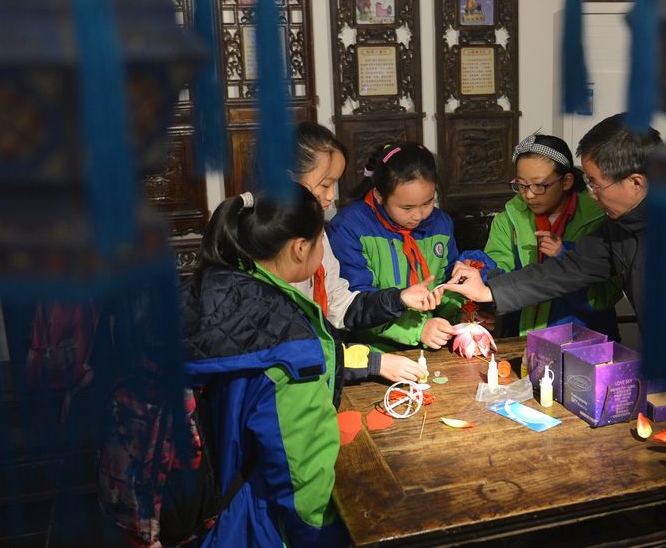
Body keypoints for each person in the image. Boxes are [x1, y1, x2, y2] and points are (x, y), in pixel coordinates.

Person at [440, 114, 666, 435]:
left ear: (636, 182)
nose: (590, 193)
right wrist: (488, 290)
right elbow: (569, 268)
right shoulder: (621, 227)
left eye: (595, 183)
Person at [182, 187, 438, 547]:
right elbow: (301, 475)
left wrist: (372, 361)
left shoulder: (212, 288)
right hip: (249, 520)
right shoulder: (289, 340)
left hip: (196, 506)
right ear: (301, 248)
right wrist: (325, 535)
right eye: (322, 239)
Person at [290, 122, 430, 380]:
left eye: (335, 184)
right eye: (325, 184)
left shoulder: (316, 231)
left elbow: (338, 304)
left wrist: (398, 299)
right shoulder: (273, 246)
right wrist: (374, 363)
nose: (331, 196)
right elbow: (294, 349)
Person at [484, 133, 622, 338]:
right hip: (523, 339)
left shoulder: (600, 219)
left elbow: (609, 294)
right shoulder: (508, 220)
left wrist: (565, 253)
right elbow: (495, 268)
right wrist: (484, 289)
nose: (529, 194)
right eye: (521, 185)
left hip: (585, 341)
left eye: (540, 185)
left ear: (566, 181)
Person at [328, 142, 462, 352]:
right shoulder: (349, 227)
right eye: (407, 207)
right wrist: (417, 330)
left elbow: (449, 283)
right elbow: (355, 304)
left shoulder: (441, 224)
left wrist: (460, 317)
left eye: (428, 203)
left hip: (430, 345)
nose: (418, 215)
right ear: (379, 195)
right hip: (370, 352)